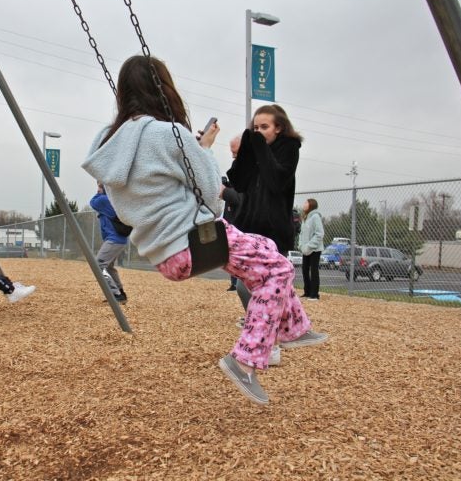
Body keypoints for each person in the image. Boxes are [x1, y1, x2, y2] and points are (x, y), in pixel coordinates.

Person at [82, 55, 327, 405]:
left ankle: (292, 328)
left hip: (159, 251)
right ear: (164, 89)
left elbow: (124, 198)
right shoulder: (170, 134)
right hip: (195, 240)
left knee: (266, 251)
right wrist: (204, 150)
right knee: (279, 269)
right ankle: (244, 360)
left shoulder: (109, 141)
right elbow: (213, 195)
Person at [226, 104, 302, 255]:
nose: (258, 132)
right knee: (242, 278)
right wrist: (245, 152)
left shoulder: (289, 148)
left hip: (274, 235)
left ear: (278, 128)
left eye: (264, 127)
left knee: (270, 278)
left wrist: (260, 147)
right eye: (255, 128)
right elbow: (239, 184)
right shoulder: (254, 150)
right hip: (248, 232)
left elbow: (276, 182)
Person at [90, 182, 129, 303]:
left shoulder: (104, 200)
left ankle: (114, 293)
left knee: (99, 265)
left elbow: (93, 202)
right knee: (110, 267)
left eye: (99, 187)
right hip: (117, 239)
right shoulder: (113, 201)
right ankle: (120, 293)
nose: (97, 189)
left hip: (114, 239)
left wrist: (100, 190)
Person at [221, 135, 242, 292]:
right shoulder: (237, 166)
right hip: (232, 221)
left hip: (244, 225)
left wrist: (225, 191)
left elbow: (240, 198)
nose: (233, 156)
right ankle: (234, 283)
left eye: (236, 152)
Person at [298, 198, 324, 300]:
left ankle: (314, 294)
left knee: (314, 270)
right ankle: (307, 292)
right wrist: (301, 246)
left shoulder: (315, 217)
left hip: (315, 249)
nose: (304, 204)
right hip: (305, 249)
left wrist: (309, 246)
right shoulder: (306, 218)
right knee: (304, 269)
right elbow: (301, 234)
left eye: (306, 202)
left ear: (311, 205)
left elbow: (319, 233)